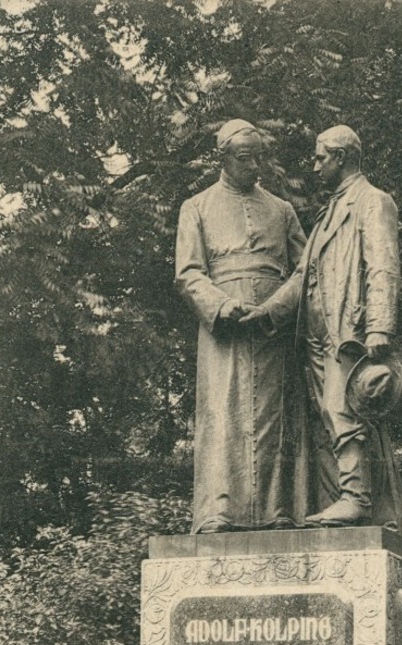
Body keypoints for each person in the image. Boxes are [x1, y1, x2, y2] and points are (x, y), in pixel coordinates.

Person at [241, 125, 402, 531]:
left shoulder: (373, 202)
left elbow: (383, 266)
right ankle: (345, 497)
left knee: (345, 410)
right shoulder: (327, 212)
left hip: (348, 329)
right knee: (327, 419)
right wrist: (265, 313)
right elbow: (303, 277)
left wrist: (380, 329)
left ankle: (355, 497)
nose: (315, 166)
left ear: (342, 158)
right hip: (317, 334)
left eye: (321, 157)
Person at [175, 119, 307, 533]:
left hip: (273, 327)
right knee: (223, 413)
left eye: (259, 158)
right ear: (225, 159)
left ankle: (276, 511)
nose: (255, 168)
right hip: (223, 330)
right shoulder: (196, 207)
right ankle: (219, 511)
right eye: (245, 159)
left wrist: (275, 308)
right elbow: (189, 273)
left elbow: (307, 269)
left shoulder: (281, 210)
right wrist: (224, 306)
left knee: (274, 418)